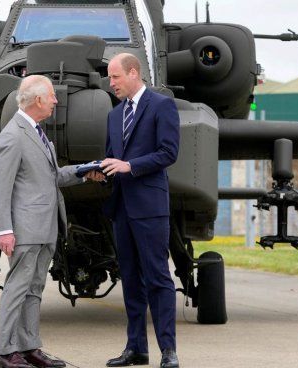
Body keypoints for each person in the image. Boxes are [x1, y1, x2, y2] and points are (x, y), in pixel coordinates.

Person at [0, 75, 102, 368]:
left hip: (44, 227)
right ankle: (6, 352)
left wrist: (83, 171)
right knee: (17, 288)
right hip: (25, 229)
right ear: (38, 100)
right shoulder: (13, 135)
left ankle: (28, 347)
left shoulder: (37, 134)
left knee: (34, 289)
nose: (56, 101)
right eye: (52, 96)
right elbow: (0, 187)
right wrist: (4, 229)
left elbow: (51, 179)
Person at [100, 53, 181, 368]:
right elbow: (113, 157)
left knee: (158, 277)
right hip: (122, 208)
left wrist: (130, 165)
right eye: (110, 77)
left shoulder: (162, 106)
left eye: (115, 76)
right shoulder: (114, 114)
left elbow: (168, 153)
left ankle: (168, 350)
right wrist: (101, 168)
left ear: (134, 73)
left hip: (149, 207)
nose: (112, 83)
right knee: (131, 279)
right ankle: (136, 348)